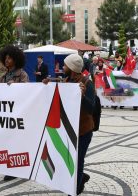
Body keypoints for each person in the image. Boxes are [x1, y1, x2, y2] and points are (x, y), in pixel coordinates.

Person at [49, 54, 95, 195]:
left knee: (78, 161)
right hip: (69, 129)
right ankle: (81, 179)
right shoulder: (67, 81)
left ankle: (74, 191)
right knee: (68, 161)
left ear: (72, 68)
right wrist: (46, 86)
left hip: (83, 130)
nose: (63, 67)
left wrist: (82, 96)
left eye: (65, 65)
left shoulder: (87, 83)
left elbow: (91, 108)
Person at [0, 45, 29, 181]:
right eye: (5, 58)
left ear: (16, 60)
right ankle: (8, 167)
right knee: (7, 141)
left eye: (10, 58)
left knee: (16, 143)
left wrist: (15, 87)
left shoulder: (22, 75)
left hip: (18, 115)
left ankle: (14, 169)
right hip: (5, 115)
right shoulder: (2, 77)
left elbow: (28, 92)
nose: (7, 60)